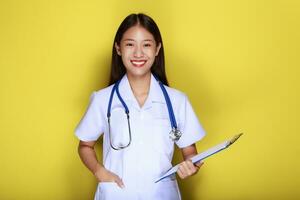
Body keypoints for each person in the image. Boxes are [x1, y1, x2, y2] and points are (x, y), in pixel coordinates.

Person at [74, 13, 206, 200]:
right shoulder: (102, 99)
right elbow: (84, 146)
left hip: (161, 195)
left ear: (157, 48)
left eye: (146, 45)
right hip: (117, 194)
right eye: (129, 44)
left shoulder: (177, 101)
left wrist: (191, 166)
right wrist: (99, 171)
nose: (138, 53)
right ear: (118, 48)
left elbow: (191, 153)